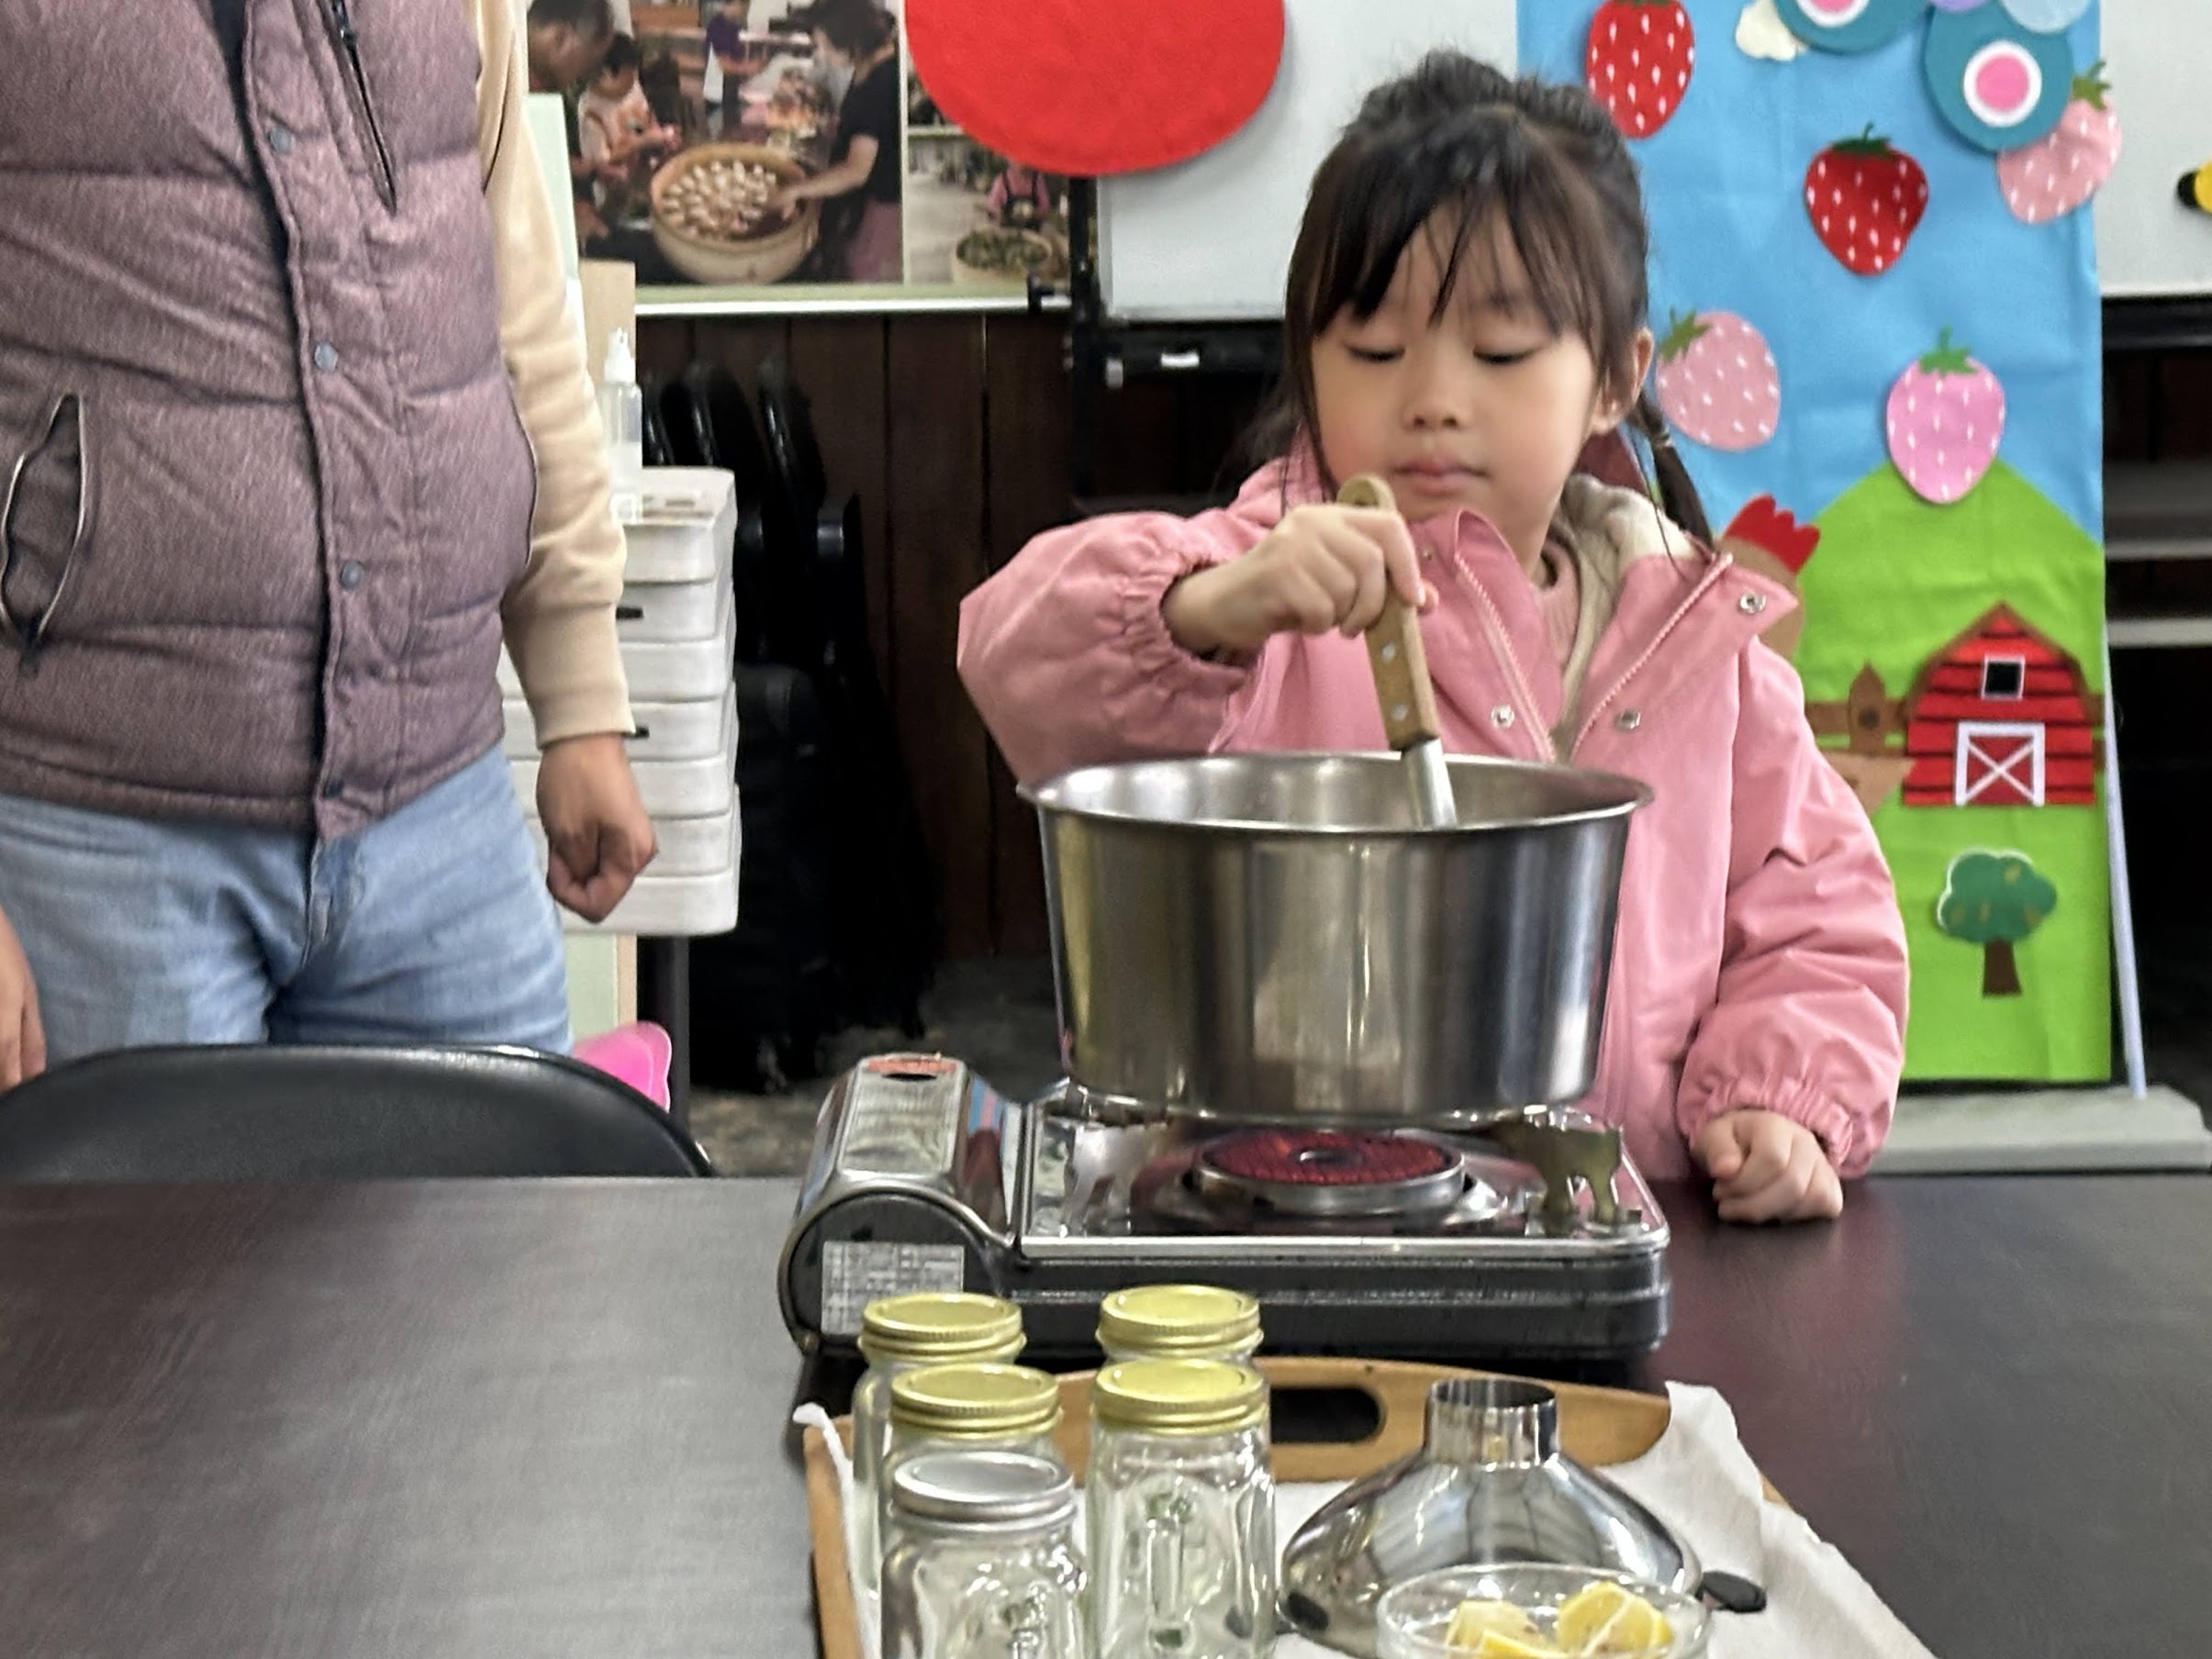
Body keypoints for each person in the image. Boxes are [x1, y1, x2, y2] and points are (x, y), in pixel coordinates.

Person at [957, 55, 1910, 1225]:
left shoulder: (1694, 637)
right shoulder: (1267, 587)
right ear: (1307, 354)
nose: (1433, 398)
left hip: (1625, 1242)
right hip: (1284, 1243)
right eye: (1371, 349)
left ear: (1615, 375)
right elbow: (1011, 658)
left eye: (1500, 353)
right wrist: (1207, 609)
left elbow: (1818, 914)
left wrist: (1778, 1093)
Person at [0, 0, 656, 1090]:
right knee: (158, 1271)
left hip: (443, 819)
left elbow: (520, 319)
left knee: (497, 1255)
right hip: (95, 844)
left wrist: (580, 692)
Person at [770, 0, 901, 282]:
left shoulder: (881, 84)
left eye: (824, 46)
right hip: (862, 205)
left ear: (849, 41)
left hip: (880, 209)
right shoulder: (869, 64)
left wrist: (795, 191)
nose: (822, 54)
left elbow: (856, 170)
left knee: (865, 276)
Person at [578, 34, 677, 181]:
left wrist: (662, 136)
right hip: (618, 188)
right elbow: (601, 163)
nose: (633, 81)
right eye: (629, 76)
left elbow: (646, 116)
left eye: (635, 75)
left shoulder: (631, 88)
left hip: (645, 170)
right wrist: (642, 142)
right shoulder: (591, 112)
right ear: (605, 75)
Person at [985, 160, 1055, 229]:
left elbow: (1045, 207)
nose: (1023, 164)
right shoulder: (1002, 180)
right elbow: (992, 206)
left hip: (1033, 230)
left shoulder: (1037, 178)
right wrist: (1000, 214)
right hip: (1008, 230)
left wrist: (1033, 213)